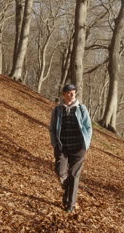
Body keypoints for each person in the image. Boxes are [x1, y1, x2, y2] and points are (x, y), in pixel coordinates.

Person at [49, 84, 92, 212]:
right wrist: (54, 143)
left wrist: (86, 144)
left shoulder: (81, 109)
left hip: (79, 148)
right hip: (62, 147)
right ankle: (68, 189)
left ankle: (70, 205)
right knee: (59, 171)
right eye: (69, 92)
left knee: (74, 174)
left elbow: (88, 127)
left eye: (74, 92)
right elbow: (52, 128)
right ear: (64, 95)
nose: (72, 94)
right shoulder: (57, 110)